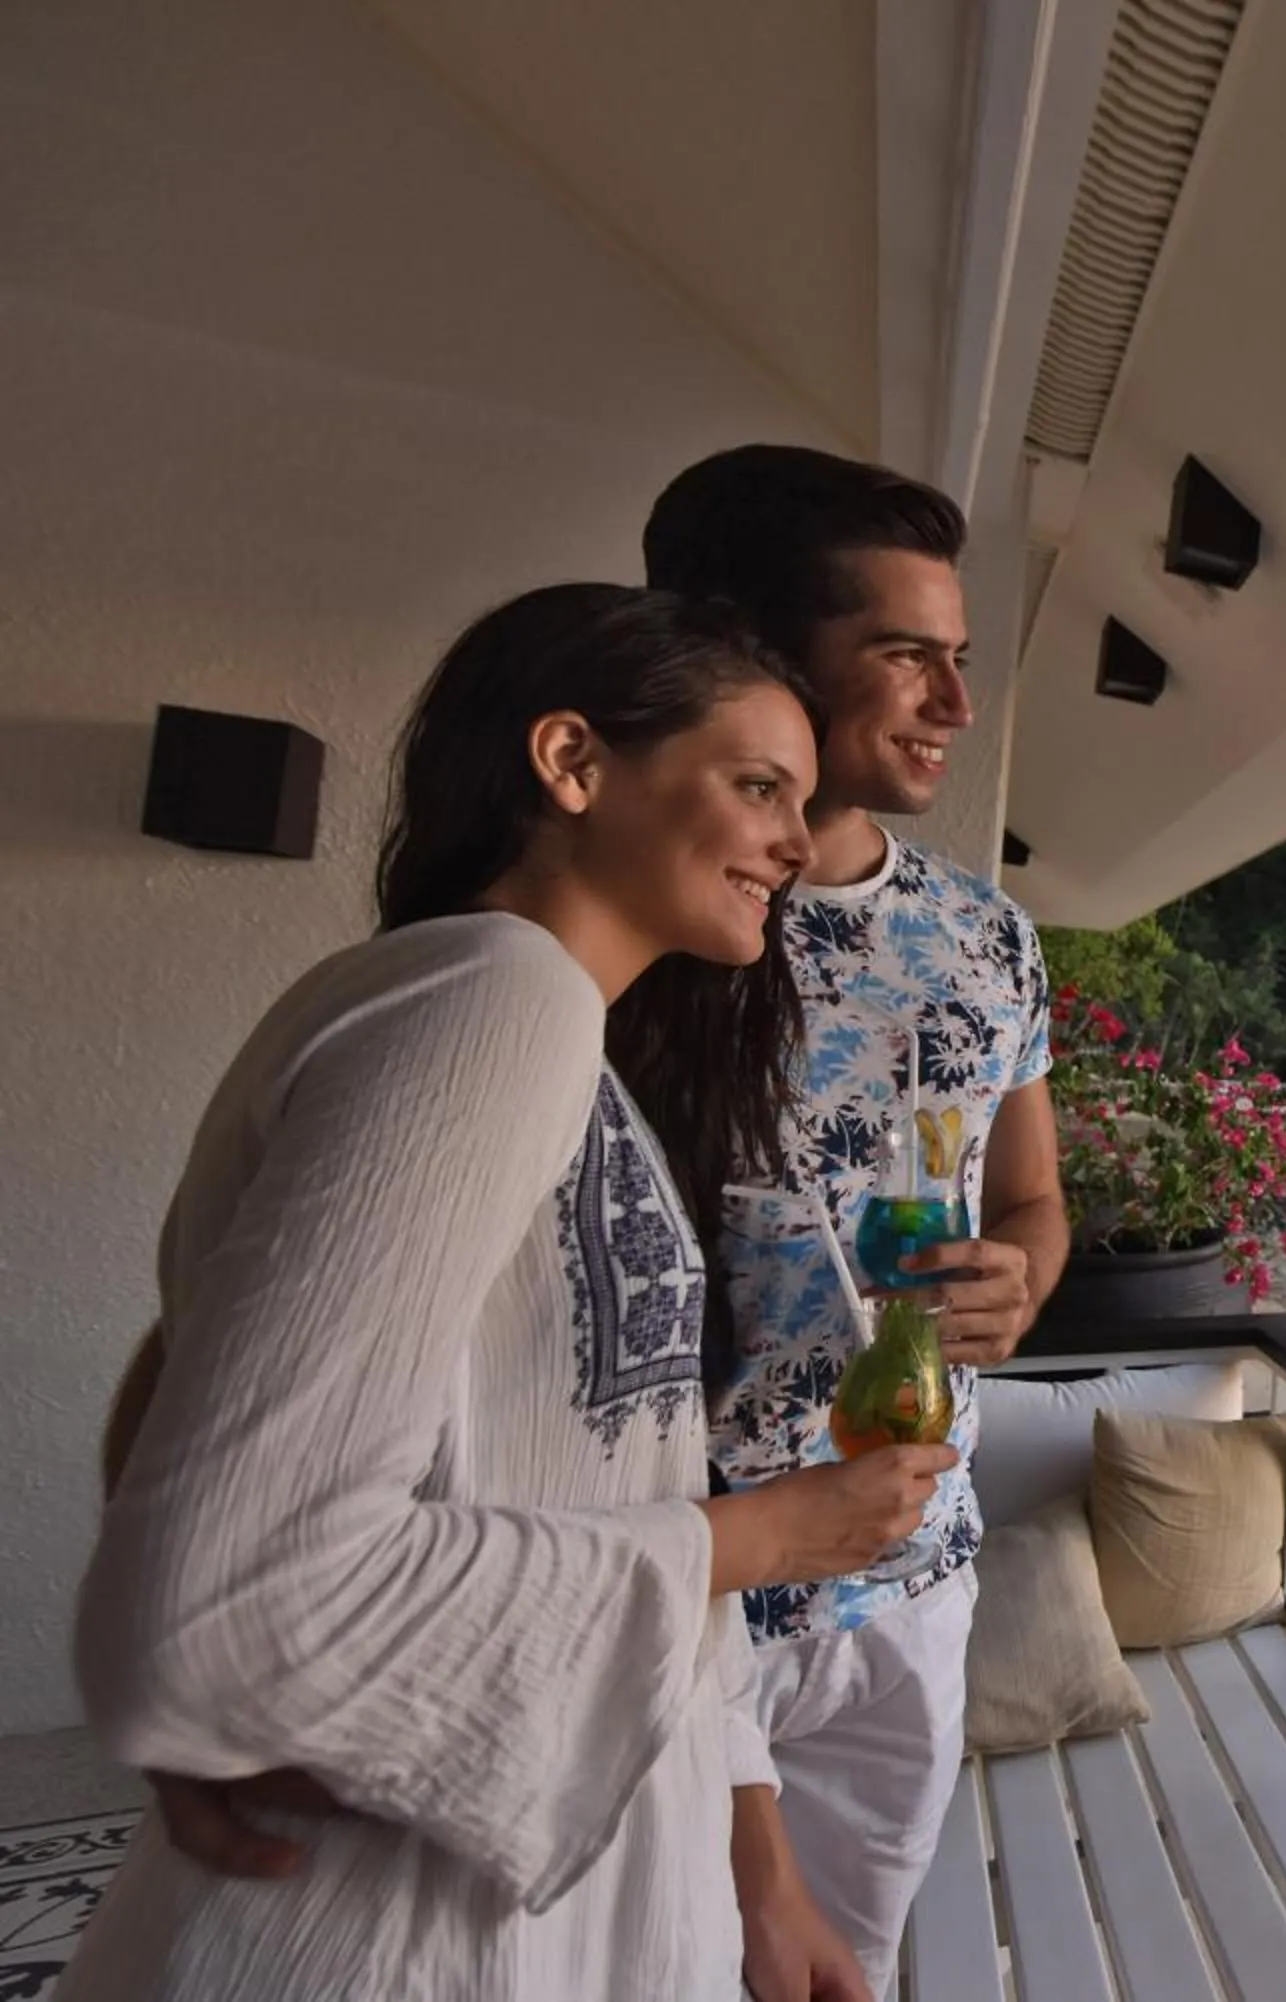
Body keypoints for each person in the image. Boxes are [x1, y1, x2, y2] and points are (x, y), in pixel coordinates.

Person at [68, 585, 954, 2001]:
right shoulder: (493, 999)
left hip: (522, 1897)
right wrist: (769, 1533)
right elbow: (225, 1599)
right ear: (573, 761)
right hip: (400, 1936)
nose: (799, 842)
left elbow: (586, 1464)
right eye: (757, 786)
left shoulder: (555, 1043)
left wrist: (758, 1877)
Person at [641, 445, 1069, 1993]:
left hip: (914, 1573)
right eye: (905, 655)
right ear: (759, 650)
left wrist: (1021, 1278)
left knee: (848, 1968)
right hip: (684, 1579)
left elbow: (1031, 1196)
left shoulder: (984, 934)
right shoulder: (655, 924)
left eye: (959, 656)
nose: (956, 702)